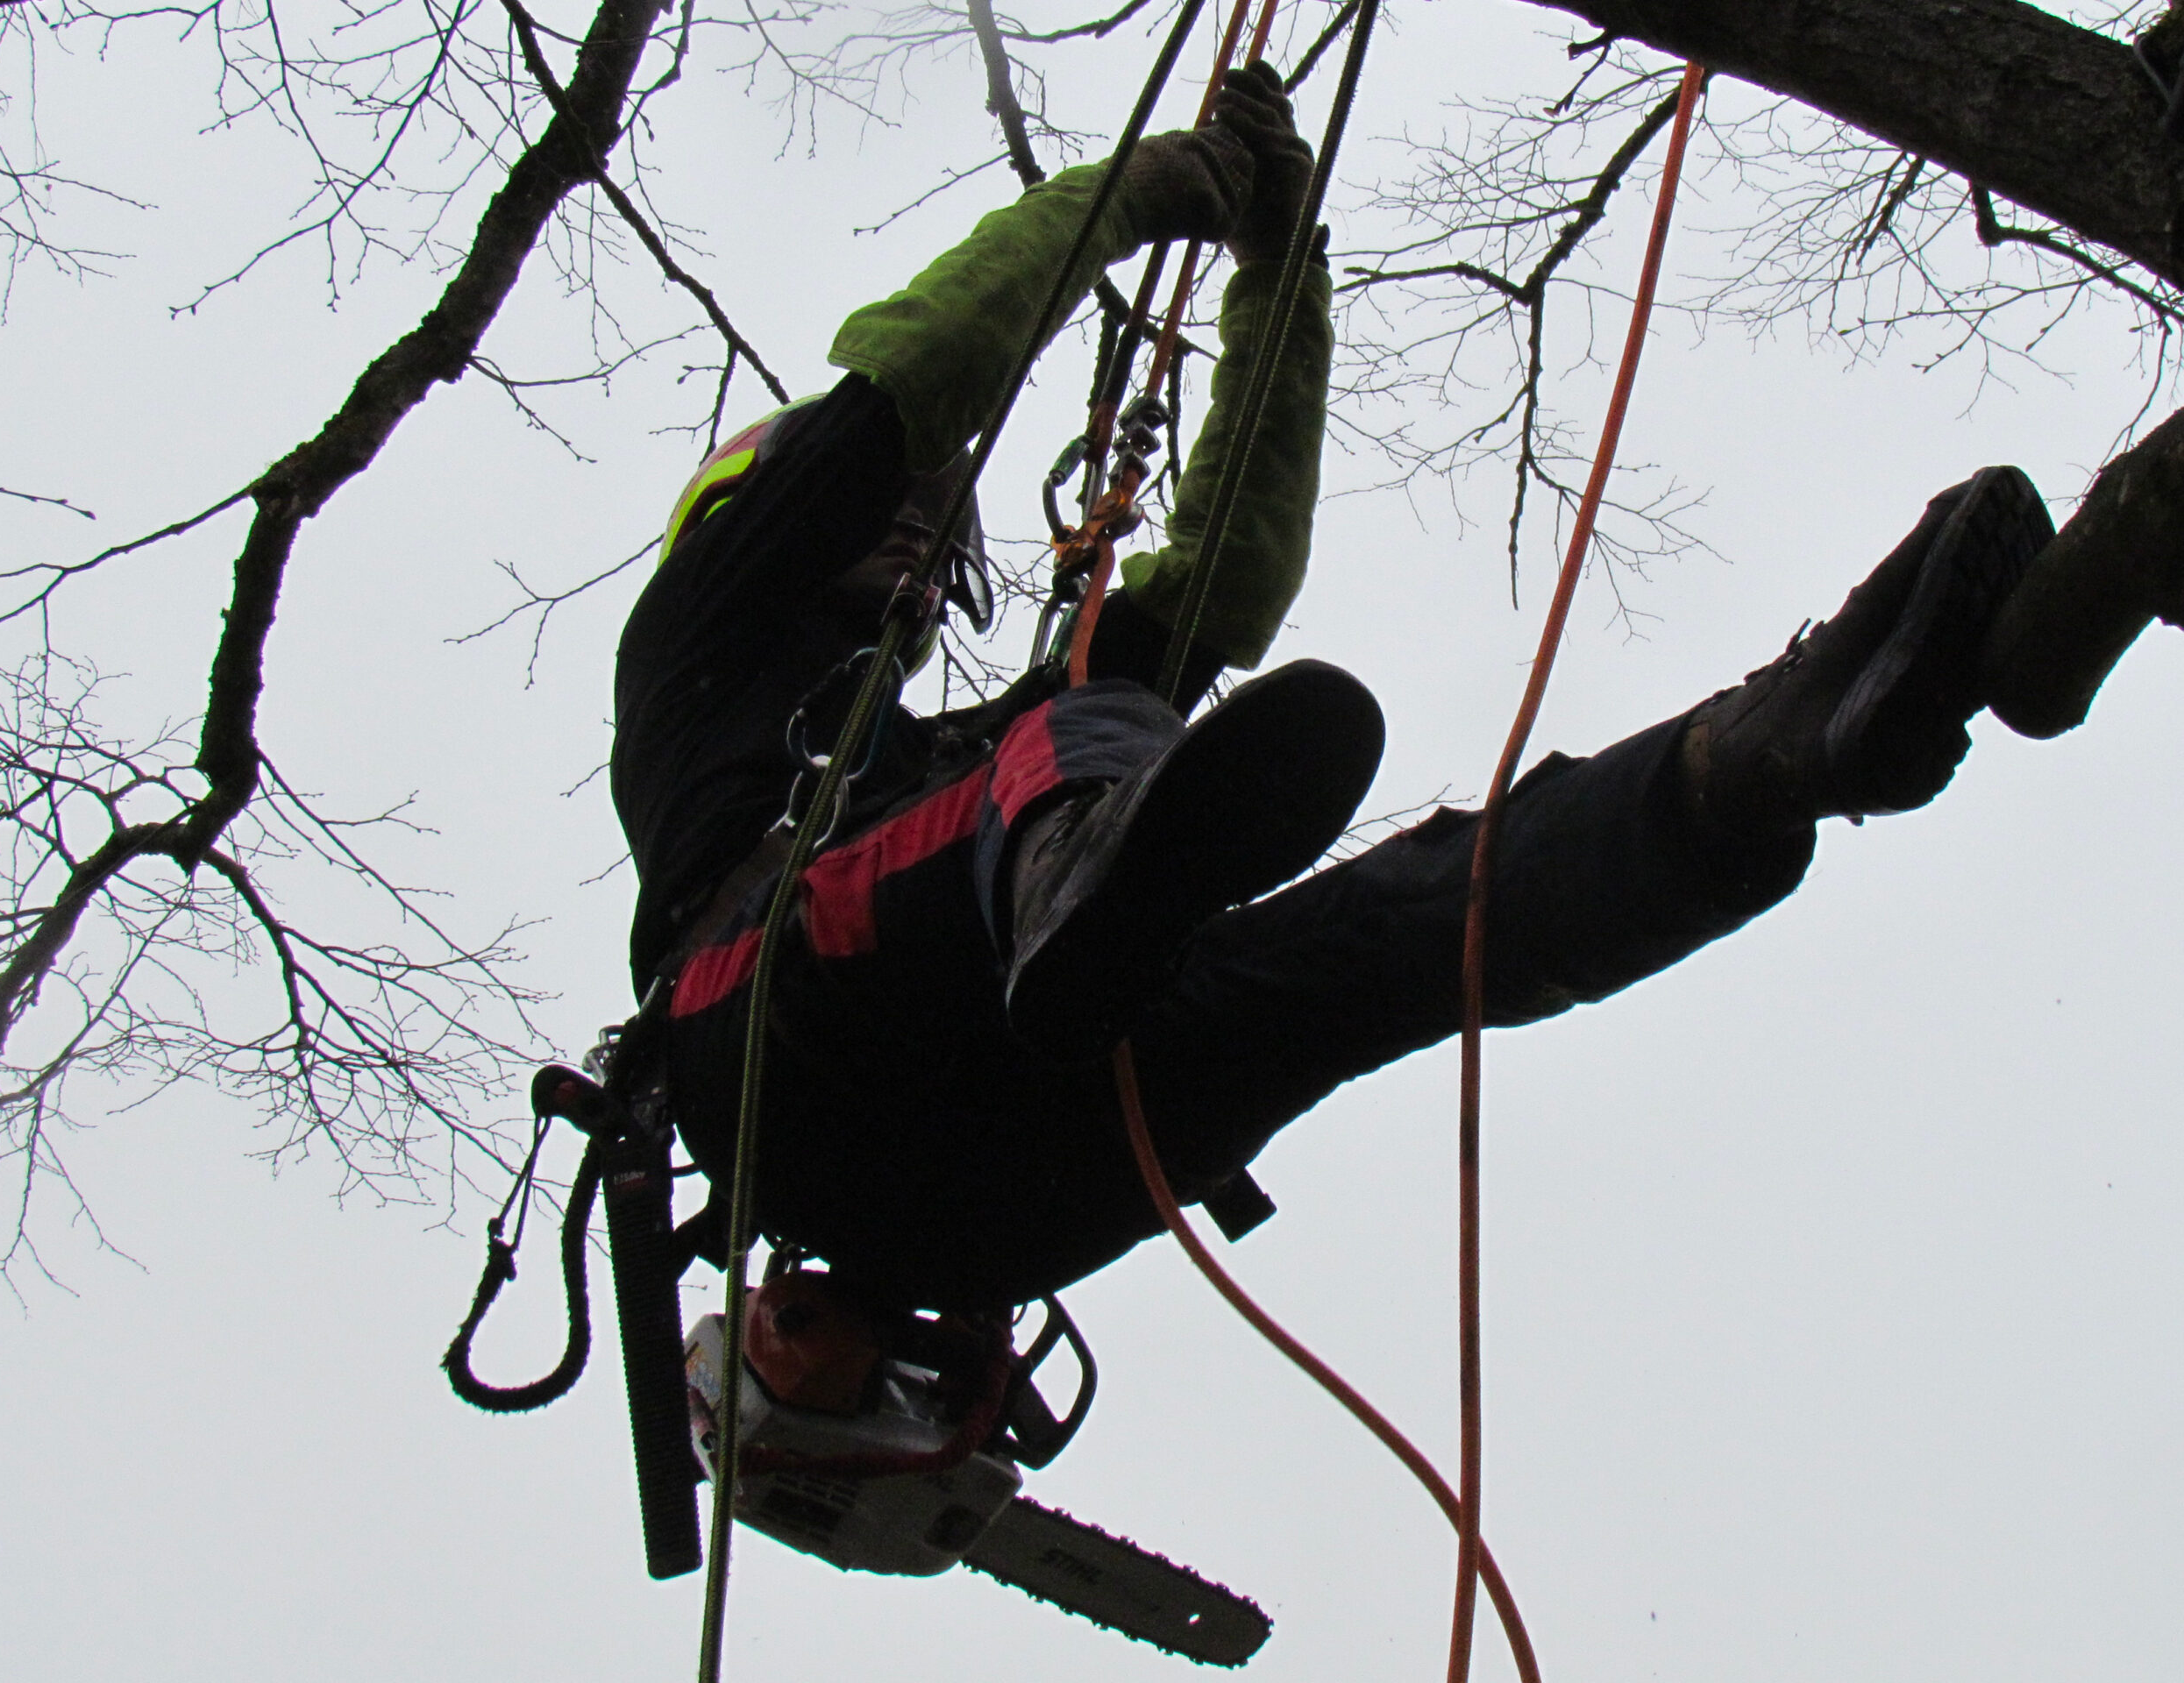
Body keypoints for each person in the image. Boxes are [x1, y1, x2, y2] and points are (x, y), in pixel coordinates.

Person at [608, 66, 2056, 1313]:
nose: (926, 519)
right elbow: (910, 378)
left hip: (1009, 1199)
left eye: (934, 510)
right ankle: (1079, 894)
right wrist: (1159, 188)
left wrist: (1278, 272)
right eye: (898, 508)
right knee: (1074, 756)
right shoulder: (701, 641)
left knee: (1388, 934)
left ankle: (1775, 760)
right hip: (774, 1051)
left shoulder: (947, 765)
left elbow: (1222, 586)